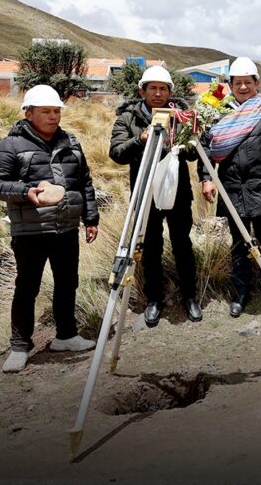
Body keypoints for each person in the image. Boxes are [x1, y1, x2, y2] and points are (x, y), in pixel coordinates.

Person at [0, 85, 99, 373]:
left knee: (68, 283)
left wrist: (91, 219)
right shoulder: (10, 146)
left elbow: (85, 183)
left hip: (66, 228)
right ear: (28, 113)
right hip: (29, 232)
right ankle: (20, 346)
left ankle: (66, 336)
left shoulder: (71, 142)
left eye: (56, 111)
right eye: (46, 111)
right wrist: (25, 190)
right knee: (26, 287)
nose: (53, 116)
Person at [198, 56, 261, 318]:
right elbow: (206, 147)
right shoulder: (219, 113)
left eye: (247, 82)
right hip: (233, 189)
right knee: (239, 244)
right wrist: (207, 177)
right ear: (230, 85)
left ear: (256, 84)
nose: (242, 87)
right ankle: (240, 294)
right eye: (237, 83)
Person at [109, 65, 200, 325]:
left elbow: (194, 154)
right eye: (153, 88)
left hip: (178, 192)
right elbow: (116, 153)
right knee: (150, 248)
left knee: (182, 244)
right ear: (142, 91)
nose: (158, 93)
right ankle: (154, 299)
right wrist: (141, 139)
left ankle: (190, 297)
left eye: (163, 88)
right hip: (145, 192)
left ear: (170, 91)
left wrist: (188, 133)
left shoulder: (181, 116)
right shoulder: (128, 118)